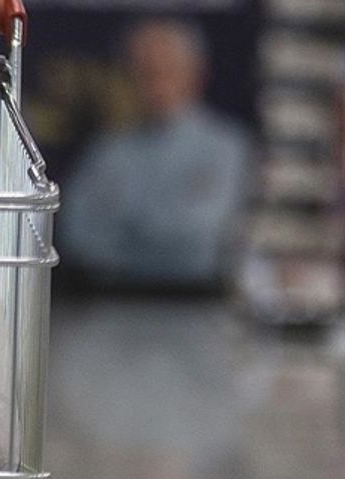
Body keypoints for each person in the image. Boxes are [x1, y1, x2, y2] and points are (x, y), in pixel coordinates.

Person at [61, 18, 251, 292]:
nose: (155, 82)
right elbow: (77, 238)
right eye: (144, 71)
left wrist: (125, 231)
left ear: (195, 74)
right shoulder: (107, 150)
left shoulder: (228, 147)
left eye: (166, 70)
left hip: (197, 301)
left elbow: (198, 242)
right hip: (112, 301)